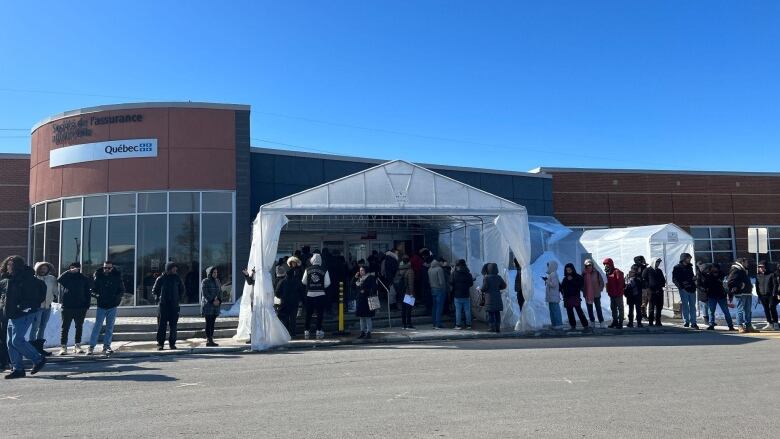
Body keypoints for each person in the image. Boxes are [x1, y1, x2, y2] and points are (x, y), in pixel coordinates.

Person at [0, 256, 47, 379]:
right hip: (11, 314)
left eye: (10, 265)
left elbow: (40, 291)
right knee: (10, 343)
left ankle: (38, 359)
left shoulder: (27, 278)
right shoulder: (9, 278)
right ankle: (18, 369)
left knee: (17, 340)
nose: (7, 267)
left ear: (15, 266)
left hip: (23, 314)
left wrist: (25, 306)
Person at [87, 261, 125, 355]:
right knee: (97, 326)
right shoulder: (98, 276)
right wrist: (98, 296)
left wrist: (116, 298)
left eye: (108, 268)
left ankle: (106, 346)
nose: (106, 269)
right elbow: (92, 290)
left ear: (112, 268)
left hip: (112, 305)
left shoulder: (117, 277)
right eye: (105, 268)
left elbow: (122, 290)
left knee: (110, 327)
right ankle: (91, 347)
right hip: (101, 306)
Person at [57, 262, 91, 355]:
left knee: (79, 326)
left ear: (79, 268)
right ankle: (63, 346)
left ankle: (77, 345)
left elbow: (87, 292)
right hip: (67, 306)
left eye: (75, 268)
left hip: (80, 307)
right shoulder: (67, 278)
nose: (73, 269)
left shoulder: (83, 278)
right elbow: (59, 279)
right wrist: (68, 272)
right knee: (65, 327)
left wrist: (87, 305)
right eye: (71, 268)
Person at [152, 262, 185, 350]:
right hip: (163, 306)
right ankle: (160, 343)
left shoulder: (177, 278)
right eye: (174, 268)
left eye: (176, 268)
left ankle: (172, 343)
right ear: (169, 269)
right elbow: (154, 290)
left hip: (174, 306)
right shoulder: (161, 278)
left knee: (173, 326)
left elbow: (182, 290)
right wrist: (157, 298)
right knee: (162, 325)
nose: (175, 269)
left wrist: (178, 299)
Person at [29, 262, 57, 356]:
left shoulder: (52, 279)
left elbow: (55, 291)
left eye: (45, 268)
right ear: (37, 269)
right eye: (42, 268)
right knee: (35, 327)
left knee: (43, 326)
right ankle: (31, 348)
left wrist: (54, 297)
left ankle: (39, 348)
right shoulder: (34, 279)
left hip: (47, 306)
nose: (43, 270)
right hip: (38, 307)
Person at [302, 253, 330, 340]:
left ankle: (306, 331)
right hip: (320, 294)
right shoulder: (324, 270)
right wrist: (321, 286)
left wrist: (310, 285)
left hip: (309, 294)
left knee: (308, 314)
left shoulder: (307, 269)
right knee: (319, 314)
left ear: (312, 260)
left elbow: (303, 281)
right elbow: (328, 283)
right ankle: (318, 330)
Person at [274, 257, 304, 338]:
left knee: (285, 318)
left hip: (285, 302)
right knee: (293, 318)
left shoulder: (282, 281)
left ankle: (286, 333)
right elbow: (301, 292)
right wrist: (301, 300)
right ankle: (293, 333)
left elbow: (277, 293)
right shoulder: (297, 281)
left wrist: (281, 297)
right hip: (294, 302)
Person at [727, 258, 757, 333]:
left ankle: (748, 326)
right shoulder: (736, 269)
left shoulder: (743, 270)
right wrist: (740, 285)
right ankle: (740, 326)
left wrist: (749, 286)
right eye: (746, 262)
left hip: (747, 293)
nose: (748, 264)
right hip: (740, 293)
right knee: (740, 310)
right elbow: (730, 281)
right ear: (742, 262)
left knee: (748, 311)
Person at [703, 263, 735, 331]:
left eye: (715, 268)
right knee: (711, 311)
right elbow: (705, 285)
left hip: (721, 296)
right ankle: (711, 325)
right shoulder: (708, 275)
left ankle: (730, 325)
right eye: (713, 268)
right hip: (712, 295)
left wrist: (730, 295)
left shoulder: (722, 275)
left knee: (726, 311)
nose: (714, 269)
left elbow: (727, 286)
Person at [560, 263, 589, 331]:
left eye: (570, 270)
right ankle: (573, 325)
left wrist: (572, 280)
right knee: (570, 312)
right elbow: (562, 287)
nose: (568, 271)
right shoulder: (565, 279)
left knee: (579, 311)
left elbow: (581, 285)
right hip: (567, 298)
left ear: (572, 269)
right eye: (567, 270)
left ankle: (585, 325)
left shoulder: (577, 276)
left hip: (575, 297)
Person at [672, 253, 698, 329]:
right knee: (685, 306)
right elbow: (674, 279)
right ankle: (686, 321)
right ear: (683, 259)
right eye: (688, 258)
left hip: (692, 289)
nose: (689, 259)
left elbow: (691, 277)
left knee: (693, 306)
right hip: (684, 289)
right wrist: (681, 287)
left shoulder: (690, 267)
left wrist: (694, 279)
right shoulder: (677, 267)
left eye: (689, 258)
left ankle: (694, 322)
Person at [353, 265, 377, 339]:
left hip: (367, 300)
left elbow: (374, 288)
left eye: (362, 270)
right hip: (360, 300)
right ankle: (362, 332)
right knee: (361, 317)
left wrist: (366, 291)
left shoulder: (370, 277)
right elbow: (352, 286)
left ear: (366, 270)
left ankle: (368, 332)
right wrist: (355, 277)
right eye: (360, 270)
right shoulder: (359, 279)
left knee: (367, 317)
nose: (361, 272)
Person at [481, 263, 506, 333]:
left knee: (491, 314)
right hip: (497, 298)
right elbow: (504, 286)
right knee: (497, 313)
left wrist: (480, 289)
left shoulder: (486, 278)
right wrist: (498, 288)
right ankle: (498, 328)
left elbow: (484, 288)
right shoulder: (499, 277)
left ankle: (492, 327)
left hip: (489, 299)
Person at [200, 266, 222, 347]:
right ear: (210, 273)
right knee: (208, 322)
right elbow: (205, 293)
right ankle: (208, 339)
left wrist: (219, 300)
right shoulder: (205, 281)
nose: (216, 274)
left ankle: (211, 339)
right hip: (208, 305)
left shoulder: (217, 281)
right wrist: (212, 300)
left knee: (213, 323)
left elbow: (220, 292)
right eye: (214, 272)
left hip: (215, 306)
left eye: (216, 272)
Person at [450, 259, 474, 330]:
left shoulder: (454, 273)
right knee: (467, 310)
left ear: (457, 266)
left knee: (458, 310)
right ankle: (468, 325)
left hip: (457, 295)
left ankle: (458, 325)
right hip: (466, 294)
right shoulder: (468, 273)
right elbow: (471, 283)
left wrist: (452, 272)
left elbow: (450, 282)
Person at [582, 260, 605, 328]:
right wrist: (583, 290)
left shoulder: (596, 273)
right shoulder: (584, 274)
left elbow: (601, 282)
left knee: (598, 309)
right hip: (587, 294)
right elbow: (581, 283)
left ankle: (602, 322)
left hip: (596, 294)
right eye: (587, 265)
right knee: (590, 309)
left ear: (592, 265)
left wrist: (599, 289)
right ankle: (592, 322)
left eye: (590, 265)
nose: (589, 266)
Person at [603, 258, 624, 329]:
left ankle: (620, 323)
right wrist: (609, 291)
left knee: (620, 308)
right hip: (612, 294)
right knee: (613, 308)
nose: (606, 266)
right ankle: (615, 321)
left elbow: (620, 283)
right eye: (605, 264)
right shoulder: (608, 272)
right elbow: (608, 284)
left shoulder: (616, 272)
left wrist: (619, 292)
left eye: (607, 264)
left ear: (610, 264)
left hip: (618, 294)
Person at [395, 256, 415, 330]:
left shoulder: (399, 270)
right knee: (408, 309)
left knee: (403, 309)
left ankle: (404, 324)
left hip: (401, 292)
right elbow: (411, 283)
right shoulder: (410, 271)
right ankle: (409, 324)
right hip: (408, 292)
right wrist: (412, 293)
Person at [645, 258, 666, 326]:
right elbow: (644, 280)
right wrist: (648, 287)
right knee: (651, 307)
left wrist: (661, 284)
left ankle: (658, 321)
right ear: (654, 262)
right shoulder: (647, 270)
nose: (658, 264)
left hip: (659, 291)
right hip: (651, 291)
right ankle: (650, 322)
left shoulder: (659, 271)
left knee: (659, 307)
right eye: (657, 262)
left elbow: (663, 280)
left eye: (659, 262)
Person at [756, 261, 777, 330]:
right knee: (766, 309)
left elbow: (775, 284)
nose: (761, 268)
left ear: (765, 267)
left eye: (762, 266)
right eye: (759, 267)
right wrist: (758, 294)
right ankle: (769, 323)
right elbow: (757, 286)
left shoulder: (771, 274)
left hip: (771, 295)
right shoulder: (758, 275)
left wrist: (774, 293)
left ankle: (775, 323)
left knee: (772, 307)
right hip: (762, 295)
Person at [428, 258, 447, 329]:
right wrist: (444, 289)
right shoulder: (439, 269)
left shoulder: (429, 269)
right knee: (439, 307)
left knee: (434, 307)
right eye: (443, 262)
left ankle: (434, 323)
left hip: (433, 289)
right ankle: (438, 324)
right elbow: (442, 281)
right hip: (439, 289)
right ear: (440, 262)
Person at [543, 261, 563, 330]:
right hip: (552, 296)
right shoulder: (552, 274)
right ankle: (555, 324)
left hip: (553, 296)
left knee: (555, 310)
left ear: (552, 266)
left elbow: (553, 285)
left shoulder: (553, 274)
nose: (548, 267)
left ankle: (558, 324)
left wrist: (546, 281)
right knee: (552, 311)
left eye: (549, 266)